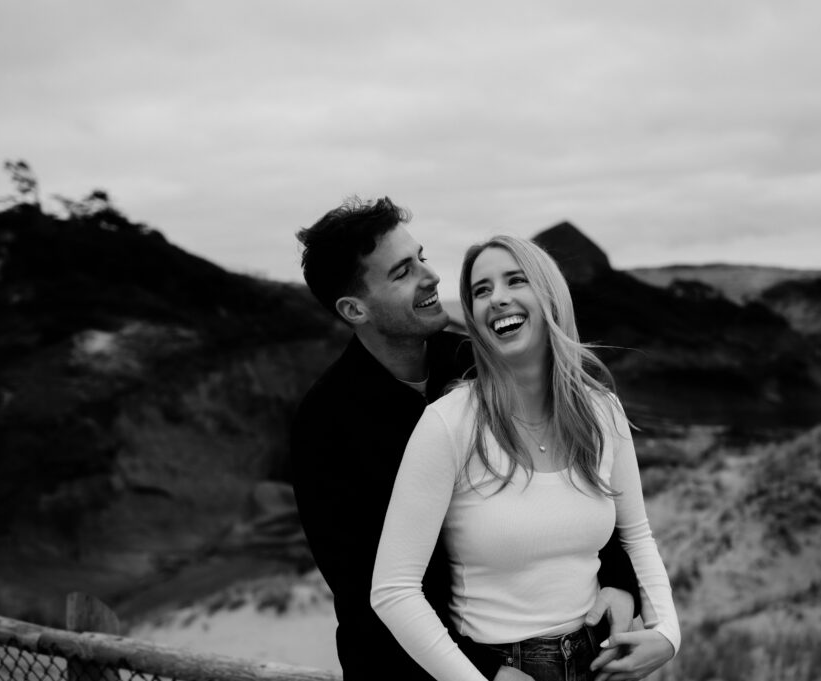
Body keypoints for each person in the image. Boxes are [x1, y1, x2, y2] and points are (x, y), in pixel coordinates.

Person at [291, 198, 644, 681]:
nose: (431, 276)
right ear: (355, 309)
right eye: (402, 272)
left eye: (421, 257)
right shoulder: (325, 423)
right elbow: (365, 593)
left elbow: (571, 481)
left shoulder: (478, 363)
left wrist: (621, 581)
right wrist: (486, 672)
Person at [371, 235, 680, 681]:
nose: (497, 298)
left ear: (550, 296)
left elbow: (637, 535)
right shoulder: (448, 423)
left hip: (600, 660)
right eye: (481, 290)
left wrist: (668, 634)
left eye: (516, 281)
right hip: (505, 667)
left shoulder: (602, 410)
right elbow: (393, 590)